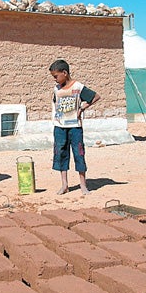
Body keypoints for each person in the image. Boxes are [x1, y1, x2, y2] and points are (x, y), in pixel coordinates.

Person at [49, 59, 100, 195]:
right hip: (59, 127)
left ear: (64, 73)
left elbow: (95, 96)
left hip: (75, 127)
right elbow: (56, 103)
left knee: (79, 153)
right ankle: (64, 184)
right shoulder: (57, 89)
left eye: (56, 76)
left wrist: (82, 108)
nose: (55, 79)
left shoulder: (78, 87)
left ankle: (83, 185)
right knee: (60, 153)